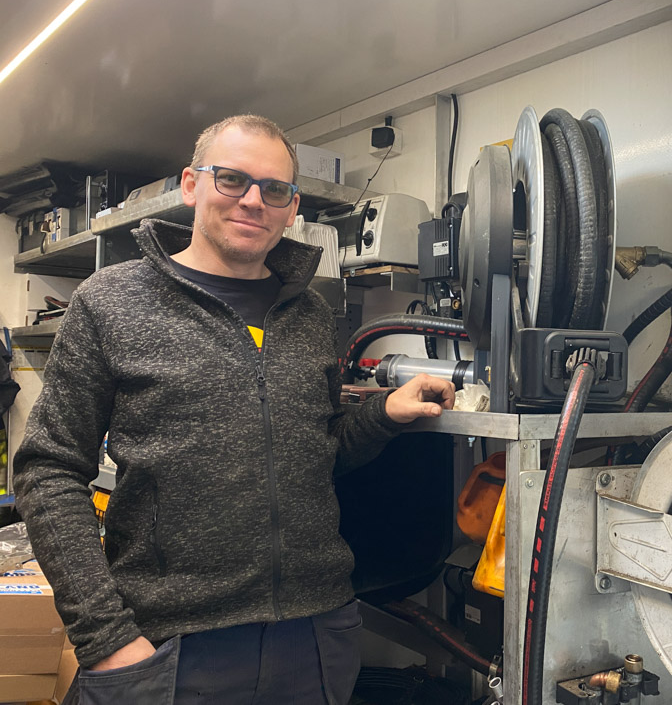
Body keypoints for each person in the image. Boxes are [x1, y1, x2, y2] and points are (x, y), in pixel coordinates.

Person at [12, 114, 455, 705]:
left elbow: (315, 455)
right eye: (232, 179)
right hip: (172, 646)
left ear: (292, 208)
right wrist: (106, 636)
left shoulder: (310, 314)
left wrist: (382, 415)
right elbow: (48, 470)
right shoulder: (112, 300)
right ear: (191, 185)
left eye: (274, 189)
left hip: (314, 636)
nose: (252, 201)